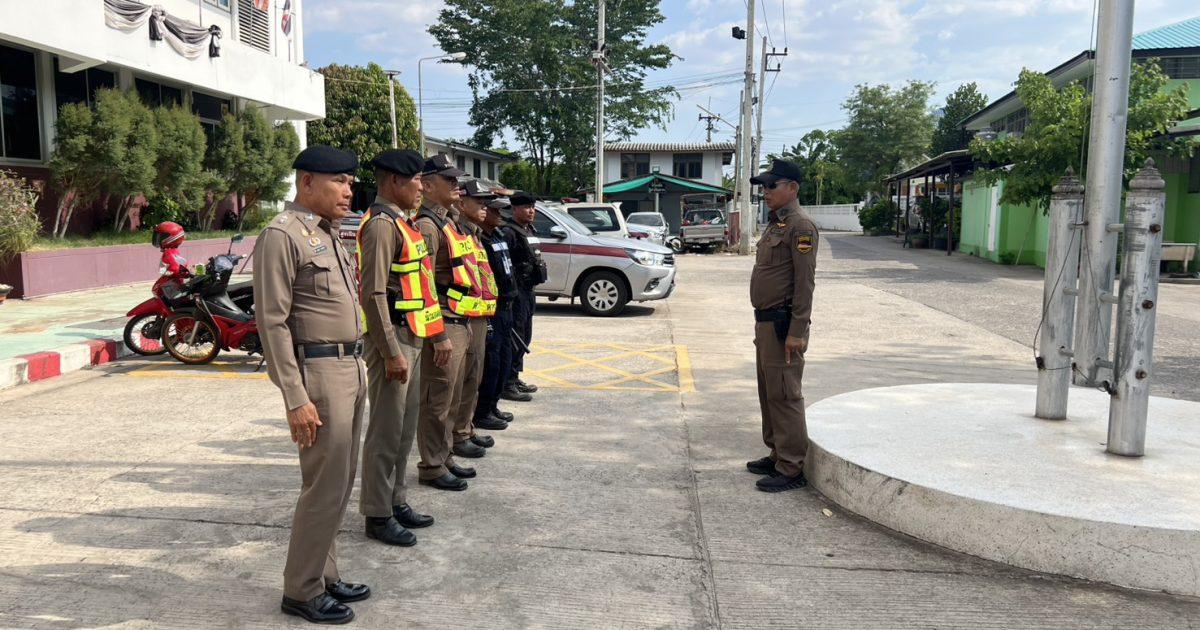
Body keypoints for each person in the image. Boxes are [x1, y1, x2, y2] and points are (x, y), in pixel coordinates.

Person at [253, 145, 370, 624]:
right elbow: (272, 323)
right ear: (306, 182)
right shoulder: (282, 235)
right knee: (323, 486)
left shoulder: (327, 234)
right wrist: (295, 396)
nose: (348, 191)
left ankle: (324, 573)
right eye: (339, 181)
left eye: (350, 183)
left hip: (350, 367)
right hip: (319, 374)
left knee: (340, 481)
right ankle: (301, 590)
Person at [357, 149, 444, 547]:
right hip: (392, 338)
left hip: (411, 335)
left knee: (404, 430)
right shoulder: (381, 225)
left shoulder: (402, 223)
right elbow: (373, 294)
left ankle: (396, 499)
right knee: (385, 432)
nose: (422, 188)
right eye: (416, 181)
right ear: (394, 181)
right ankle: (377, 513)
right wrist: (391, 351)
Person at [744, 159, 819, 493]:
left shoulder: (801, 227)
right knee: (769, 392)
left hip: (783, 324)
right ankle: (777, 453)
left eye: (771, 185)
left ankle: (791, 466)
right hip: (765, 324)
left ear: (792, 188)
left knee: (786, 395)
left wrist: (797, 331)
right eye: (764, 186)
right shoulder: (777, 225)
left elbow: (805, 283)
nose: (766, 191)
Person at [414, 155, 478, 491]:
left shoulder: (446, 221)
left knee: (451, 397)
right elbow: (423, 285)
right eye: (448, 180)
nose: (456, 185)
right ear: (427, 185)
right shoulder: (427, 226)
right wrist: (437, 333)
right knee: (436, 400)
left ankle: (444, 454)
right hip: (442, 320)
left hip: (457, 317)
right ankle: (432, 465)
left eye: (456, 179)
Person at [449, 179, 500, 459]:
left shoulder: (473, 233)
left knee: (473, 378)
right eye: (478, 202)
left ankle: (465, 429)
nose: (484, 207)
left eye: (485, 203)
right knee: (460, 381)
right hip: (461, 315)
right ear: (461, 203)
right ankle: (457, 435)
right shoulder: (455, 231)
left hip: (478, 313)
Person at [474, 193, 520, 429]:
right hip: (493, 307)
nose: (499, 215)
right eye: (494, 210)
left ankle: (492, 405)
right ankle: (482, 411)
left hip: (507, 306)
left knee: (503, 358)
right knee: (491, 361)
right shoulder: (480, 239)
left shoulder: (498, 235)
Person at [501, 192, 545, 401]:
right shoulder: (509, 232)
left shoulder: (528, 229)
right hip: (517, 292)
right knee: (516, 337)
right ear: (514, 209)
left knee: (525, 334)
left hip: (528, 290)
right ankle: (507, 383)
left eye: (533, 207)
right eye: (526, 207)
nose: (531, 211)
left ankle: (515, 376)